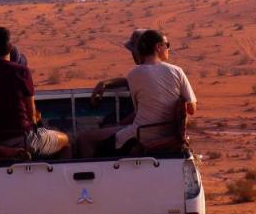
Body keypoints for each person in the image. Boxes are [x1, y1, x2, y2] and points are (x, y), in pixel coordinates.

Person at [78, 28, 197, 157]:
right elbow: (191, 109)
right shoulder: (177, 71)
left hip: (140, 135)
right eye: (167, 46)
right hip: (167, 134)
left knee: (85, 140)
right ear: (158, 47)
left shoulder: (134, 74)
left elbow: (138, 110)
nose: (168, 49)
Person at [0, 26, 68, 159]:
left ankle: (2, 150)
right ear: (10, 46)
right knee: (65, 140)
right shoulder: (22, 71)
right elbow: (31, 113)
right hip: (21, 138)